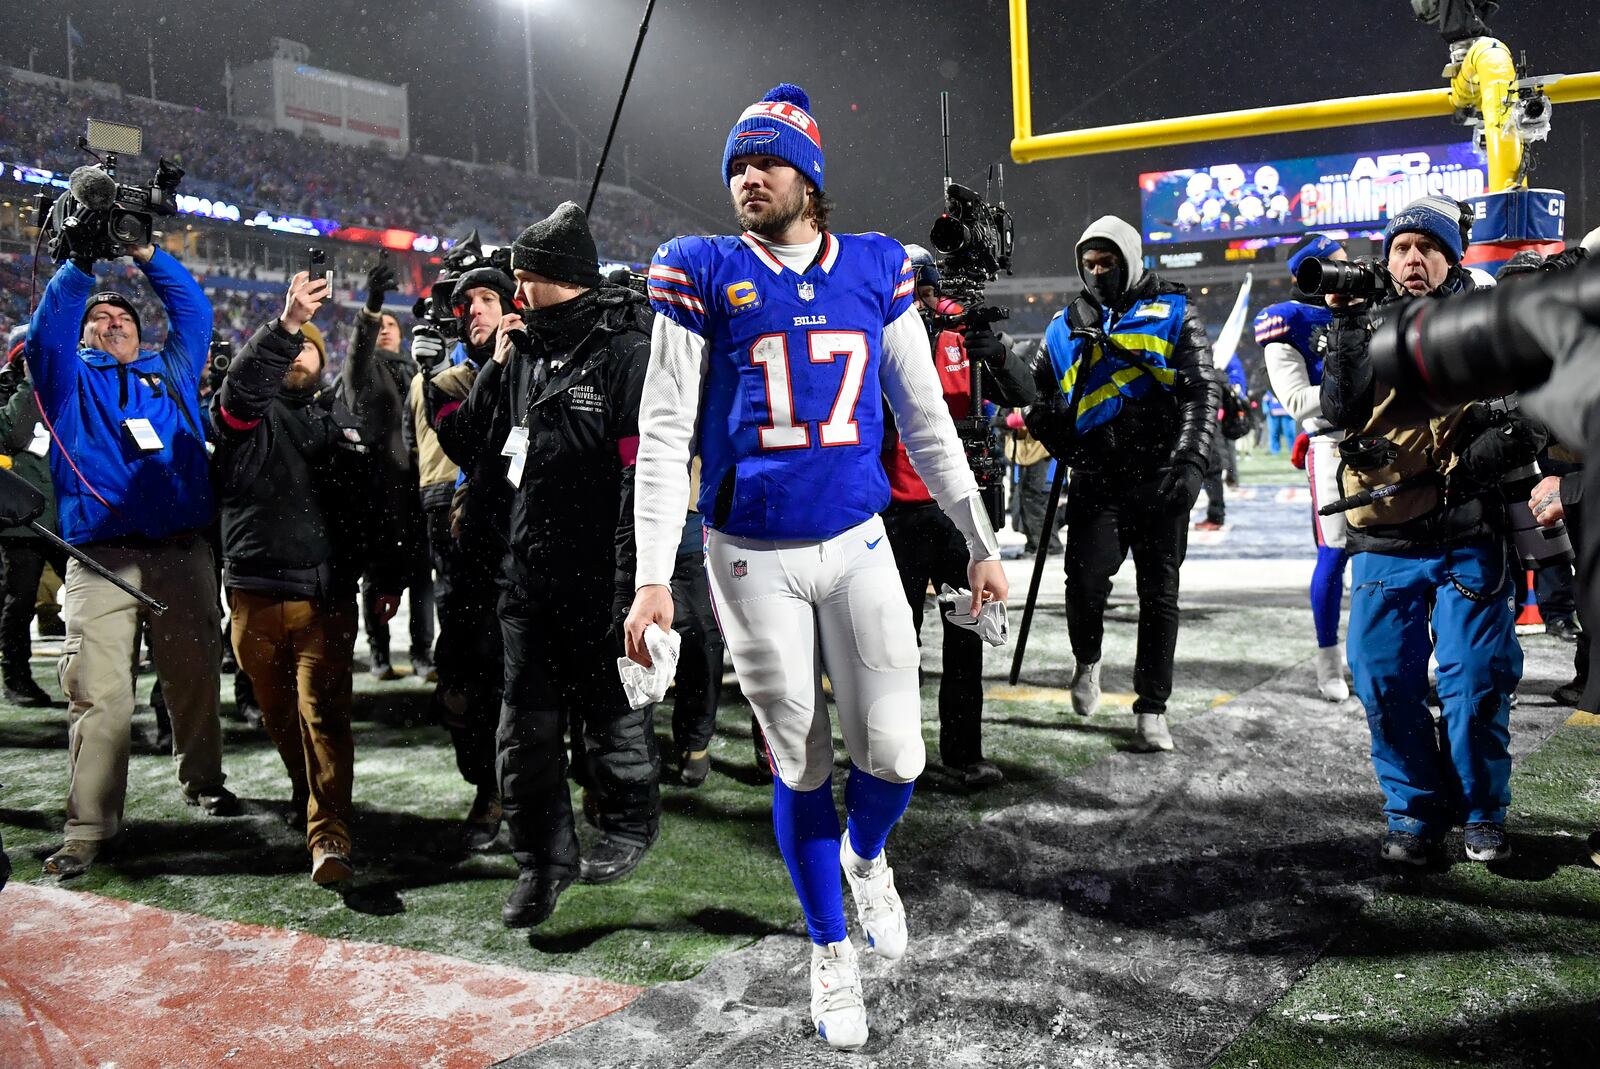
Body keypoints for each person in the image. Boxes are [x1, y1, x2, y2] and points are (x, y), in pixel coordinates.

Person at [624, 83, 1008, 1051]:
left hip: (860, 541)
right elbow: (666, 432)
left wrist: (978, 537)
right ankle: (828, 945)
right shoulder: (699, 268)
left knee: (897, 756)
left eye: (766, 160)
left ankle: (866, 858)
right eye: (736, 165)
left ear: (811, 177)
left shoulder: (876, 268)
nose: (748, 176)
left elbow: (925, 417)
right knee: (797, 758)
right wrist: (650, 575)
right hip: (749, 553)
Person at [435, 202, 660, 928]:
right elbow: (473, 445)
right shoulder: (523, 349)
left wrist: (633, 585)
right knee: (523, 733)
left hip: (600, 576)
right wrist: (496, 365)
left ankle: (629, 822)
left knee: (612, 718)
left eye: (524, 278)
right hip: (527, 574)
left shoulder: (625, 349)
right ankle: (542, 863)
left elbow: (639, 478)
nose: (515, 291)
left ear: (554, 278)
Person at [1319, 194, 1524, 866]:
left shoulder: (1489, 319)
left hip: (1470, 530)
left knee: (1475, 677)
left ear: (1450, 257)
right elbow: (1341, 409)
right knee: (1382, 678)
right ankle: (1413, 809)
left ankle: (1480, 811)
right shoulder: (1362, 320)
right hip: (1386, 534)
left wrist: (1482, 458)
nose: (1412, 259)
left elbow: (1527, 410)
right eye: (1402, 247)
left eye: (1426, 248)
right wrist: (1347, 331)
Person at [27, 240, 234, 879]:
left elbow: (194, 314)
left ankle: (203, 781)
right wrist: (80, 263)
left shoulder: (165, 374)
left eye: (125, 320)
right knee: (99, 693)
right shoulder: (66, 379)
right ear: (83, 332)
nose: (114, 323)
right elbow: (45, 333)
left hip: (179, 550)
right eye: (101, 318)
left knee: (194, 676)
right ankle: (89, 826)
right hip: (102, 558)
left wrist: (147, 252)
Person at [210, 272, 402, 885]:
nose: (298, 354)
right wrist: (286, 324)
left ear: (322, 359)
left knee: (323, 717)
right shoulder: (246, 420)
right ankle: (309, 794)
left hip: (323, 600)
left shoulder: (337, 422)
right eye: (291, 346)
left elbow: (370, 505)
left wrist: (383, 576)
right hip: (252, 600)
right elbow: (241, 390)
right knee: (282, 720)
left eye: (307, 345)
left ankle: (330, 836)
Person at [1025, 215, 1220, 753]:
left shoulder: (1178, 311)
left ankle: (1152, 706)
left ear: (1130, 260)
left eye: (1107, 262)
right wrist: (1058, 434)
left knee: (1160, 595)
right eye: (1088, 264)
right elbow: (1038, 396)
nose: (1096, 272)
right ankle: (1087, 659)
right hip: (1096, 478)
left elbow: (1203, 390)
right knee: (1084, 585)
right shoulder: (1063, 325)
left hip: (1160, 475)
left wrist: (1190, 463)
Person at [884, 246, 1035, 789]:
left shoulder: (962, 330)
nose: (923, 303)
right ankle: (894, 753)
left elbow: (1025, 395)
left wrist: (996, 354)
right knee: (892, 642)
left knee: (965, 635)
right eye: (912, 292)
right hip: (892, 512)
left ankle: (963, 753)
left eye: (926, 291)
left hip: (957, 512)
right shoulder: (875, 328)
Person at [415, 255, 515, 849]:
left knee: (526, 680)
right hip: (470, 553)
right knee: (461, 679)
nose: (473, 310)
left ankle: (516, 792)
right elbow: (463, 437)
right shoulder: (447, 384)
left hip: (530, 550)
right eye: (467, 303)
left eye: (487, 300)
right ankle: (484, 782)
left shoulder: (540, 370)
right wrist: (497, 368)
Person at [1259, 233, 1352, 702]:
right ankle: (1328, 661)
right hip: (1333, 445)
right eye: (1330, 266)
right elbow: (1297, 401)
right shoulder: (1289, 320)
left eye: (1344, 263)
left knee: (1393, 554)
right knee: (1335, 554)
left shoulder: (1365, 307)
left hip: (1389, 440)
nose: (1342, 273)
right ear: (1305, 275)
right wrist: (1361, 391)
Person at [340, 259, 434, 680]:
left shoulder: (418, 371)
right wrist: (372, 308)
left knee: (422, 576)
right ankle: (379, 652)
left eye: (391, 327)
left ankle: (422, 653)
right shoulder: (362, 371)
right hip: (380, 488)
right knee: (379, 573)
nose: (385, 332)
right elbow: (360, 346)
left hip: (419, 485)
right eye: (381, 329)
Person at [0, 327, 67, 706]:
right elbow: (12, 433)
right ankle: (16, 678)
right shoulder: (11, 393)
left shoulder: (60, 392)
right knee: (20, 599)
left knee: (86, 592)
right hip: (21, 523)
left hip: (63, 517)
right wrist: (28, 386)